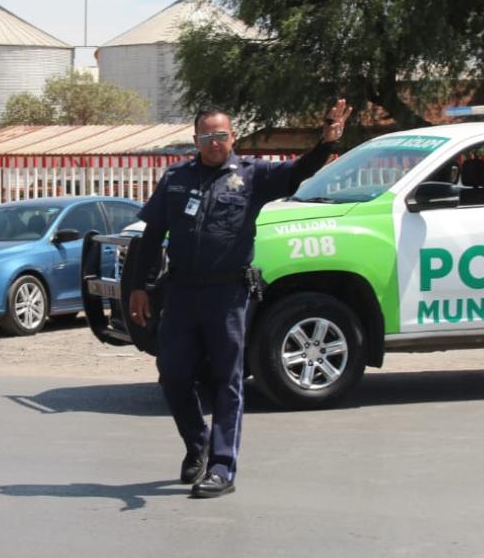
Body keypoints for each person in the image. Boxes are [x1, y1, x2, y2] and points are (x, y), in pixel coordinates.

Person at [127, 100, 353, 498]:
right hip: (181, 292)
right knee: (173, 374)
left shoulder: (253, 175)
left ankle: (221, 467)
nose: (214, 142)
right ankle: (197, 443)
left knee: (226, 379)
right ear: (195, 140)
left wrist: (326, 143)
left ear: (233, 137)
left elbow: (298, 171)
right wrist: (140, 287)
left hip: (227, 294)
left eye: (221, 135)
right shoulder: (176, 178)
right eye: (206, 136)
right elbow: (152, 235)